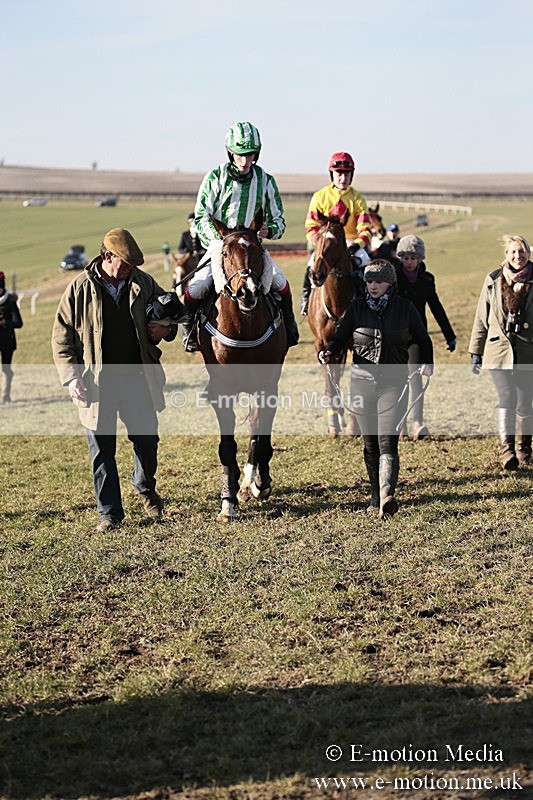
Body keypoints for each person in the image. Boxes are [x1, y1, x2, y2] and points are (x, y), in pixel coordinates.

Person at [52, 228, 177, 533]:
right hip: (97, 383)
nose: (129, 270)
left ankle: (145, 488)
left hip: (138, 378)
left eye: (133, 266)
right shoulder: (79, 288)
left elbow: (170, 313)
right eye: (124, 264)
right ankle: (109, 513)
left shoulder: (143, 282)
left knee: (147, 441)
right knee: (101, 449)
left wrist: (165, 329)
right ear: (106, 256)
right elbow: (61, 336)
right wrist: (71, 379)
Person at [319, 260, 433, 519]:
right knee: (370, 445)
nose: (373, 286)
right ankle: (375, 494)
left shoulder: (406, 309)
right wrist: (329, 351)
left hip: (393, 383)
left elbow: (421, 339)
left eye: (379, 281)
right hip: (361, 383)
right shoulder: (357, 308)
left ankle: (387, 495)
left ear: (390, 283)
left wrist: (425, 362)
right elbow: (340, 337)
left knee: (387, 441)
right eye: (369, 281)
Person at [181, 121, 299, 352]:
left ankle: (290, 328)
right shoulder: (215, 177)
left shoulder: (266, 180)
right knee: (196, 287)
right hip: (220, 246)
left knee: (282, 284)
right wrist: (219, 241)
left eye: (251, 155)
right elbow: (201, 216)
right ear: (230, 153)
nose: (245, 161)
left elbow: (279, 220)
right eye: (240, 155)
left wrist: (269, 230)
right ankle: (189, 332)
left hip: (253, 248)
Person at [469, 234, 533, 470]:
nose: (519, 255)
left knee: (526, 403)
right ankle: (507, 451)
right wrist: (475, 351)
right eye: (513, 251)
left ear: (529, 253)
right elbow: (481, 318)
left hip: (528, 351)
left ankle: (525, 449)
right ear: (506, 255)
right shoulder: (493, 280)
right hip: (498, 351)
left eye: (522, 251)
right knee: (507, 397)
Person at [394, 234, 456, 440]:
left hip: (417, 337)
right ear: (400, 258)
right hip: (395, 337)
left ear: (420, 259)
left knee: (415, 379)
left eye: (413, 258)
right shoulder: (393, 278)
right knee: (398, 380)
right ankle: (399, 422)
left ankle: (418, 423)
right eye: (405, 258)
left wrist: (450, 335)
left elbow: (436, 308)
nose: (409, 262)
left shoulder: (427, 281)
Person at [300, 151, 373, 315]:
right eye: (339, 174)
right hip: (325, 242)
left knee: (366, 265)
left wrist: (357, 245)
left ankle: (369, 304)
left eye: (347, 174)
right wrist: (317, 242)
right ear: (332, 174)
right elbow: (311, 225)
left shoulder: (357, 198)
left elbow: (366, 228)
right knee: (312, 264)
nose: (343, 178)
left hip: (351, 243)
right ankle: (305, 300)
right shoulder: (320, 196)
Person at [0, 270, 23, 403]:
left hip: (7, 341)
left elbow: (19, 323)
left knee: (6, 368)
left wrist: (5, 323)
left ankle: (5, 394)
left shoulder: (10, 302)